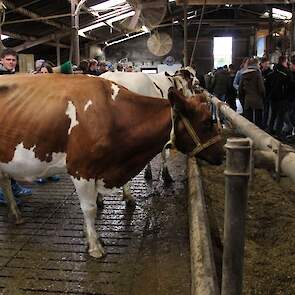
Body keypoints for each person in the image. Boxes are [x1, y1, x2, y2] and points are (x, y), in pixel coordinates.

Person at [0, 48, 32, 204]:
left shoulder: (13, 75)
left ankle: (13, 186)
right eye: (8, 59)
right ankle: (2, 192)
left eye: (13, 60)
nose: (11, 62)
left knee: (7, 155)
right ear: (1, 60)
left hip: (10, 119)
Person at [239, 57, 265, 128]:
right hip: (258, 100)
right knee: (258, 122)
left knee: (248, 122)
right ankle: (258, 137)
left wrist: (243, 98)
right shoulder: (257, 74)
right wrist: (263, 96)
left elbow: (240, 89)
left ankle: (248, 136)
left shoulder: (243, 74)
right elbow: (261, 88)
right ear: (256, 64)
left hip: (247, 100)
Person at [267, 55, 290, 138]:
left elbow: (267, 85)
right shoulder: (286, 72)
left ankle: (269, 130)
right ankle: (278, 133)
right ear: (284, 61)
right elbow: (290, 85)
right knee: (280, 116)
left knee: (273, 114)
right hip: (282, 98)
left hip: (272, 97)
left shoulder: (272, 72)